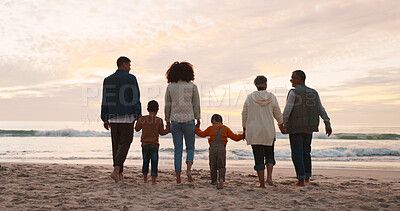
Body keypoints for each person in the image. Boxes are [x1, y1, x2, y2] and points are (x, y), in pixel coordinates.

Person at [282, 70, 332, 187]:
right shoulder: (313, 92)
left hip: (296, 127)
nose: (291, 80)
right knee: (306, 152)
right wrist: (327, 123)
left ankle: (300, 180)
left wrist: (282, 123)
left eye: (293, 78)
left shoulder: (294, 92)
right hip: (309, 127)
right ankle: (307, 177)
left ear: (299, 79)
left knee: (297, 153)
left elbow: (287, 110)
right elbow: (320, 108)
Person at [101, 56, 141, 183]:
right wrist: (138, 114)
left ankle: (119, 173)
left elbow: (105, 99)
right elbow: (135, 97)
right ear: (123, 64)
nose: (130, 67)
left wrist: (104, 117)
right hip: (127, 115)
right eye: (129, 65)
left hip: (113, 116)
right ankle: (116, 169)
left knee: (116, 146)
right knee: (126, 143)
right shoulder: (131, 78)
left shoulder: (108, 79)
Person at [242, 75, 285, 188]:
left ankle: (261, 184)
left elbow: (244, 114)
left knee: (258, 157)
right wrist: (281, 124)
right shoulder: (272, 97)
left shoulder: (250, 97)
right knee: (270, 154)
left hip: (254, 131)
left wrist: (244, 128)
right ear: (266, 84)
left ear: (255, 85)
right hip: (268, 130)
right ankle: (269, 178)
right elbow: (277, 113)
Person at [164, 61, 201, 184]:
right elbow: (196, 104)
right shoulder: (192, 87)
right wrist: (198, 118)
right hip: (189, 120)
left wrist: (167, 120)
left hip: (175, 121)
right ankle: (189, 169)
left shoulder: (170, 87)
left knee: (177, 150)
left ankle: (178, 178)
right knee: (190, 147)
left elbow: (167, 106)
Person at [195, 114, 243, 189]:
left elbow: (202, 134)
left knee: (213, 165)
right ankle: (221, 179)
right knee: (222, 165)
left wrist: (197, 128)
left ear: (212, 121)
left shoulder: (210, 128)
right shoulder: (226, 128)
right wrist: (243, 136)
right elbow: (235, 137)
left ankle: (214, 181)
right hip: (222, 149)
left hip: (213, 148)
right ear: (221, 121)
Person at [135, 100, 169, 185]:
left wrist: (137, 120)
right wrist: (168, 129)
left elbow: (137, 129)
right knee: (154, 162)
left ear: (147, 109)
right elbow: (162, 132)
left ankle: (145, 179)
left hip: (145, 144)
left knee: (145, 161)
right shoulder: (159, 120)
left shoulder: (142, 119)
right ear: (157, 110)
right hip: (154, 144)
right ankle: (153, 180)